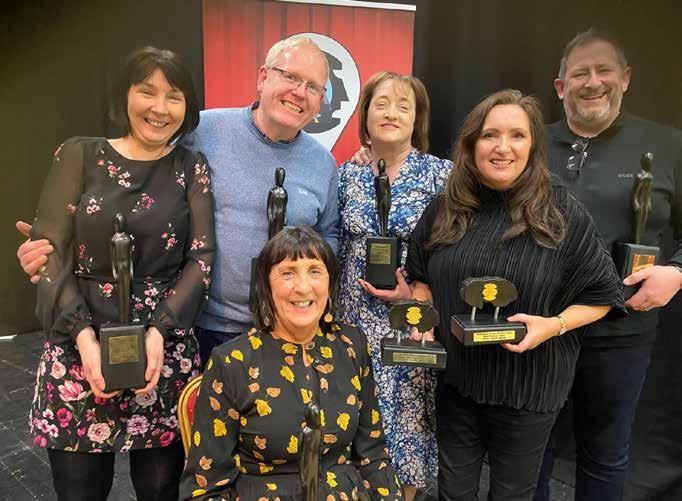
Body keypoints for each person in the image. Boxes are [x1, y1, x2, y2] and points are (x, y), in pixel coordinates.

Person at [16, 35, 339, 366]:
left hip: (284, 329)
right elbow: (135, 183)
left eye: (313, 87)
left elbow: (329, 235)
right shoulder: (202, 131)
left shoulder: (323, 164)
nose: (300, 92)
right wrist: (52, 246)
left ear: (320, 101)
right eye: (290, 76)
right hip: (199, 327)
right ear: (263, 77)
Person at [405, 89, 623, 500]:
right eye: (490, 135)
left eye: (517, 135)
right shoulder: (446, 207)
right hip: (457, 383)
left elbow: (603, 294)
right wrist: (422, 315)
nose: (503, 148)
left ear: (533, 146)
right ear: (471, 145)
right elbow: (420, 277)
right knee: (453, 494)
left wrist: (552, 326)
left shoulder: (561, 211)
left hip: (528, 389)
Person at [28, 47, 216, 500]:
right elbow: (50, 252)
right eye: (147, 91)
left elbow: (202, 257)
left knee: (162, 490)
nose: (159, 108)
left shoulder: (190, 166)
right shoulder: (78, 154)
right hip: (78, 345)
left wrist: (159, 331)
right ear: (124, 96)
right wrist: (83, 338)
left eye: (173, 96)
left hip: (162, 353)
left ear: (187, 106)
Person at [534, 29, 682, 501]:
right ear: (561, 87)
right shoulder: (530, 142)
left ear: (626, 78)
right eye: (580, 73)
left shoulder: (668, 145)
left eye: (604, 70)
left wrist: (677, 272)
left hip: (622, 333)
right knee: (530, 452)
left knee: (604, 454)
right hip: (540, 329)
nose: (593, 82)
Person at [179, 226, 402, 500]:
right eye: (288, 273)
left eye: (315, 271)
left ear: (331, 282)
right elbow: (205, 487)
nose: (303, 287)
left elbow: (373, 457)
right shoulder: (232, 362)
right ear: (266, 285)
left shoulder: (351, 346)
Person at [337, 71, 451, 500]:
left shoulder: (441, 176)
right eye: (381, 104)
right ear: (365, 114)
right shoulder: (346, 176)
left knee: (405, 435)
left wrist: (419, 295)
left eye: (404, 106)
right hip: (351, 325)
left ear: (417, 118)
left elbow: (454, 254)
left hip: (409, 326)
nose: (391, 113)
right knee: (351, 428)